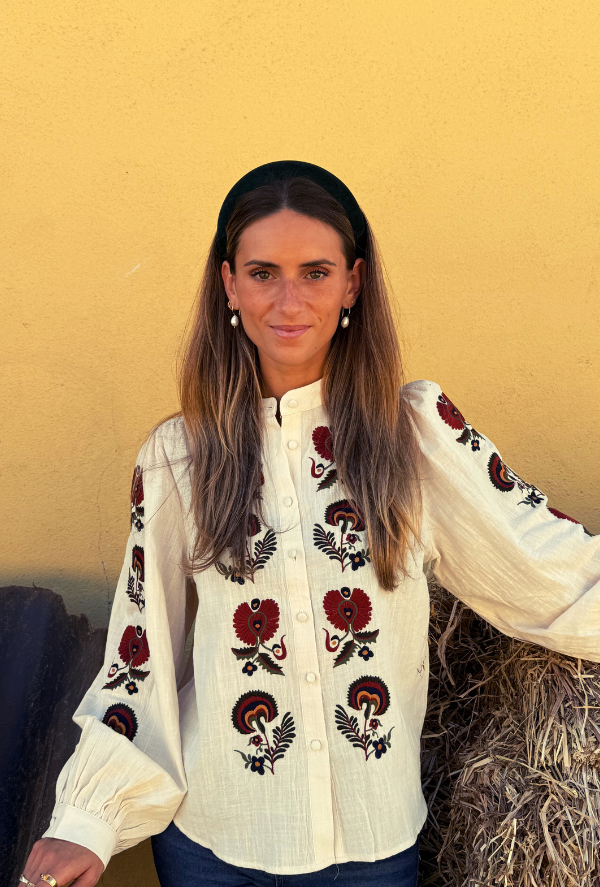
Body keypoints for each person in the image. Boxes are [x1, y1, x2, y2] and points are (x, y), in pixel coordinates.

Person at [21, 161, 600, 887]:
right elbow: (143, 656)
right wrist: (86, 822)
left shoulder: (415, 438)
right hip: (211, 848)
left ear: (353, 282)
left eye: (315, 272)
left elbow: (549, 570)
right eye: (263, 273)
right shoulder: (179, 457)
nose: (289, 300)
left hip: (372, 851)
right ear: (229, 284)